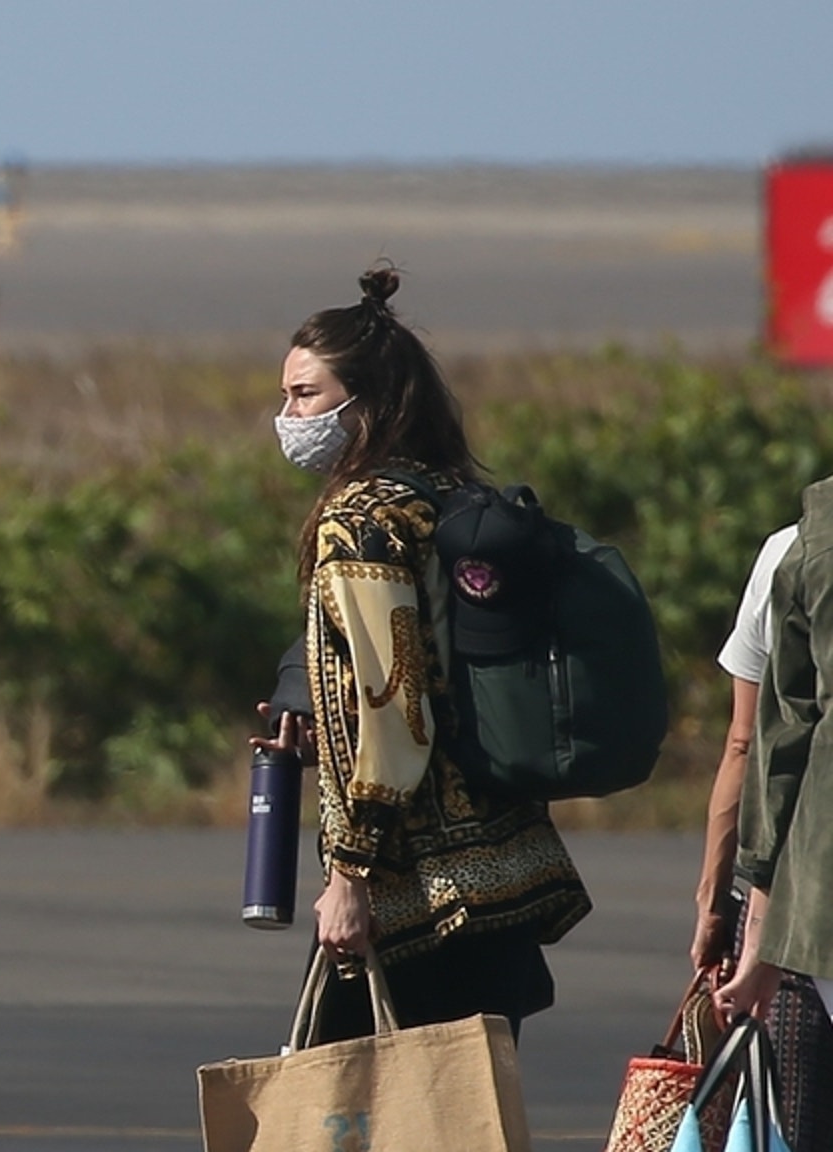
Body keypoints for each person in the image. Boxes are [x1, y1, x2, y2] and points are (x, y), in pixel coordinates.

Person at [252, 266, 590, 1044]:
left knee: (360, 1114)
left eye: (305, 395)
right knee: (468, 1109)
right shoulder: (444, 494)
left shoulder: (360, 520)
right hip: (500, 866)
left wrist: (351, 874)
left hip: (415, 894)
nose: (288, 415)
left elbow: (390, 704)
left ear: (367, 403)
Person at [700, 523, 833, 1149]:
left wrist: (721, 909)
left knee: (795, 1120)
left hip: (805, 901)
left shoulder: (796, 549)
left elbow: (747, 744)